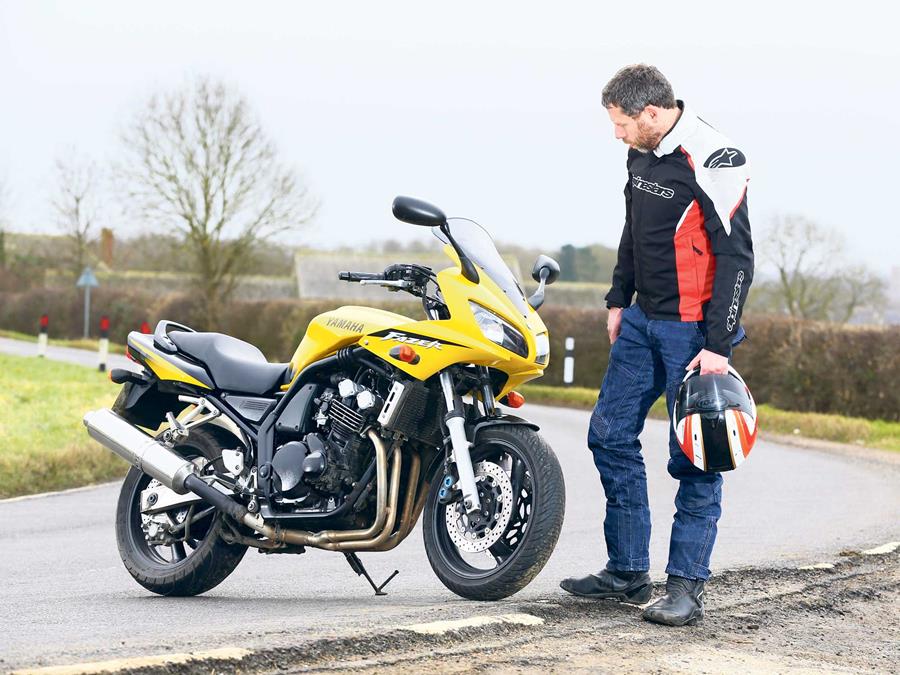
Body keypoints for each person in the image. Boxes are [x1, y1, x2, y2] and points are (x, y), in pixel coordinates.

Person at [560, 64, 754, 626]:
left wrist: (718, 343)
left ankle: (687, 587)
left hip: (694, 335)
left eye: (621, 123)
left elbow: (739, 257)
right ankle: (626, 571)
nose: (616, 134)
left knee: (696, 457)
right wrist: (618, 299)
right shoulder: (640, 153)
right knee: (608, 434)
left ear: (650, 114)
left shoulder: (715, 158)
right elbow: (633, 227)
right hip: (642, 321)